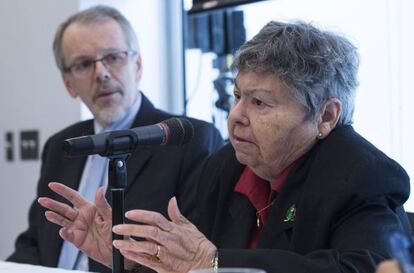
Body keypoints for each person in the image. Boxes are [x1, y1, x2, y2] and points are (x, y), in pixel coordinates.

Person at [38, 20, 411, 273]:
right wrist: (133, 261)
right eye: (237, 96)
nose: (235, 117)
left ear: (326, 116)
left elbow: (366, 268)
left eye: (260, 103)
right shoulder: (227, 166)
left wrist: (214, 262)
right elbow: (184, 264)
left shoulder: (361, 174)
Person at [7, 5, 223, 273]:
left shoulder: (188, 140)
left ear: (138, 65)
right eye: (84, 64)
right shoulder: (60, 145)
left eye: (113, 57)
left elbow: (192, 258)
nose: (102, 73)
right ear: (68, 84)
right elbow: (35, 243)